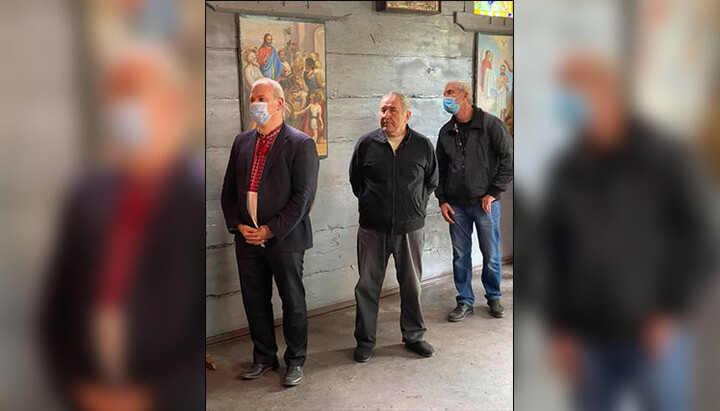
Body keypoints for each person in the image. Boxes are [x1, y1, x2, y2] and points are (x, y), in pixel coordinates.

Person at [544, 54, 716, 411]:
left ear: (608, 93)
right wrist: (561, 328)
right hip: (589, 336)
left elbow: (700, 240)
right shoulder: (569, 167)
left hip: (652, 333)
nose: (566, 102)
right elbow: (557, 253)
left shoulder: (664, 156)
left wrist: (669, 310)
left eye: (575, 91)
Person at [221, 78, 319, 387]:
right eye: (252, 99)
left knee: (292, 300)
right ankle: (263, 356)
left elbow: (303, 198)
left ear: (279, 103)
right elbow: (228, 191)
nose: (255, 104)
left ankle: (295, 360)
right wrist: (238, 225)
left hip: (285, 238)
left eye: (261, 98)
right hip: (247, 238)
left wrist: (269, 230)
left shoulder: (301, 143)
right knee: (255, 299)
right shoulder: (242, 141)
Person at [349, 92, 439, 362]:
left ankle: (414, 336)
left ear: (407, 115)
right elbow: (356, 181)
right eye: (383, 110)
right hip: (372, 229)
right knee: (367, 287)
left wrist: (416, 206)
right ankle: (365, 340)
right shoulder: (366, 144)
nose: (386, 115)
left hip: (410, 229)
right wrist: (370, 204)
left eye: (392, 110)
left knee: (411, 285)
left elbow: (431, 181)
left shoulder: (422, 145)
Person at [436, 81, 514, 321]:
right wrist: (442, 200)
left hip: (485, 204)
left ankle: (493, 297)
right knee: (461, 255)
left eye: (450, 93)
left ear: (464, 96)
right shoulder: (446, 132)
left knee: (490, 253)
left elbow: (509, 160)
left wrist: (494, 192)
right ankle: (464, 300)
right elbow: (440, 170)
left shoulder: (490, 125)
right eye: (444, 93)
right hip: (456, 206)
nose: (446, 97)